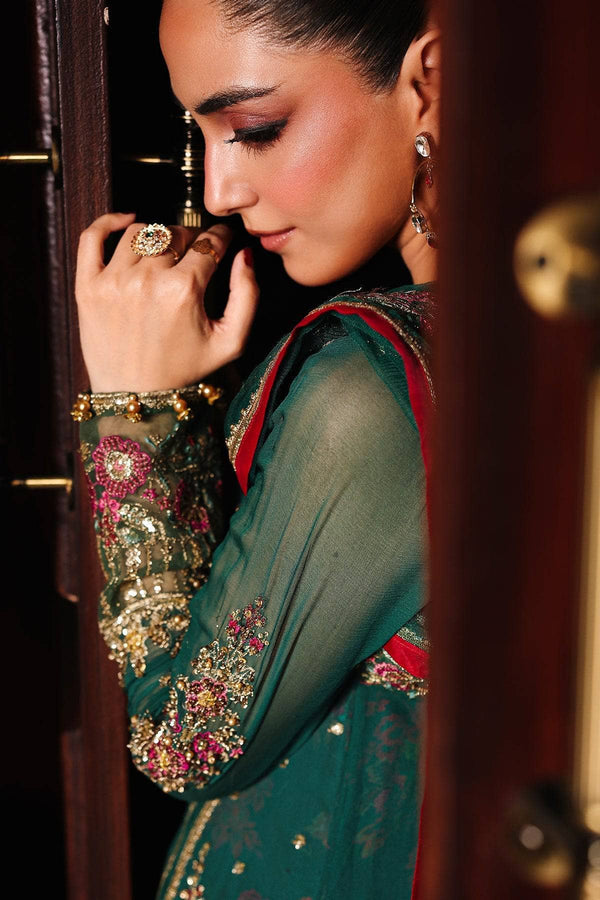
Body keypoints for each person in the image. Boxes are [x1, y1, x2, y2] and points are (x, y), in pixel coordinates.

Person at [73, 0, 440, 896]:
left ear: (434, 85)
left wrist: (137, 413)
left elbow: (186, 742)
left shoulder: (376, 395)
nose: (219, 193)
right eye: (198, 138)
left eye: (254, 129)